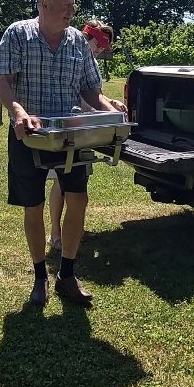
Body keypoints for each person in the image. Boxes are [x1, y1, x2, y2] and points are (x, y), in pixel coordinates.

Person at [0, 0, 127, 307]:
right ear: (44, 5)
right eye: (65, 4)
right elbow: (3, 81)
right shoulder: (18, 34)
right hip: (30, 134)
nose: (72, 10)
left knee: (78, 199)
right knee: (33, 206)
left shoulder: (79, 43)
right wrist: (18, 111)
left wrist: (111, 113)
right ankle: (40, 277)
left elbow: (90, 90)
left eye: (73, 4)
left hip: (72, 133)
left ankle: (67, 275)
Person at [47, 18, 121, 251]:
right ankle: (55, 233)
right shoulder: (69, 55)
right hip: (64, 126)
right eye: (97, 45)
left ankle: (72, 228)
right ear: (85, 37)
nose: (99, 51)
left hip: (84, 129)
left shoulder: (90, 62)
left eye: (102, 48)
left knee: (77, 182)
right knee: (61, 180)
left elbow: (93, 93)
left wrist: (111, 103)